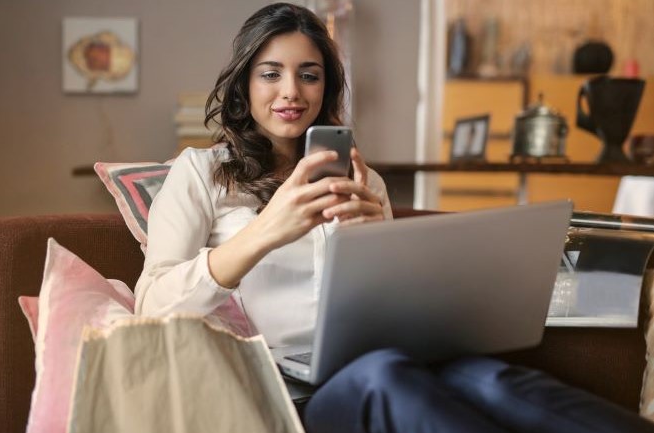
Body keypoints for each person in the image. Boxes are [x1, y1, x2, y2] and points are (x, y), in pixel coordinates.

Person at [135, 3, 654, 433]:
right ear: (244, 84)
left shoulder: (363, 179)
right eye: (271, 74)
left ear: (326, 88)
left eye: (309, 75)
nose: (291, 91)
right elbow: (151, 305)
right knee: (386, 376)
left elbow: (398, 307)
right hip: (293, 392)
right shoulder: (200, 174)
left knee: (493, 380)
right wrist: (267, 230)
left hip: (393, 356)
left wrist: (379, 247)